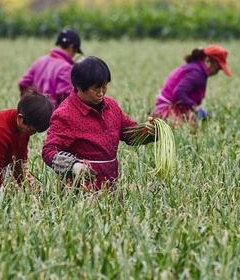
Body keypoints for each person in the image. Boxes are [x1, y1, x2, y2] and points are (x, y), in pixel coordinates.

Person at [42, 56, 156, 191]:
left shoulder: (111, 106)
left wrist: (149, 132)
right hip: (80, 192)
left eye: (104, 86)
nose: (101, 93)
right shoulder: (65, 114)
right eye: (96, 89)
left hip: (111, 188)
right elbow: (49, 151)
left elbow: (129, 134)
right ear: (78, 86)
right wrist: (73, 166)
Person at [153, 44, 231, 123]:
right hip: (166, 112)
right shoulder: (196, 74)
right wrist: (196, 108)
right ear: (207, 61)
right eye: (217, 68)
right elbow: (179, 92)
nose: (217, 72)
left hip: (163, 110)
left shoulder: (195, 68)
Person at [18, 29, 83, 108]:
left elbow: (23, 83)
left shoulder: (40, 61)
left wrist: (31, 107)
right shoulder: (66, 68)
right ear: (71, 47)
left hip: (34, 116)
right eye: (75, 51)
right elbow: (65, 95)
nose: (73, 55)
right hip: (53, 117)